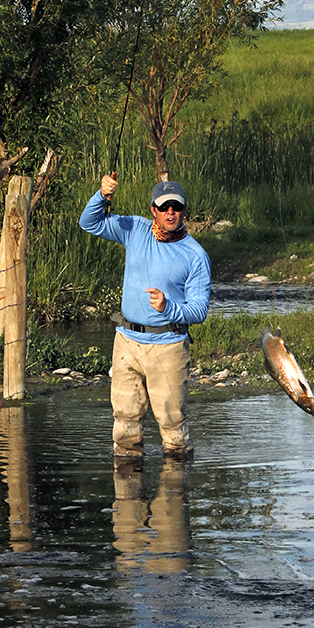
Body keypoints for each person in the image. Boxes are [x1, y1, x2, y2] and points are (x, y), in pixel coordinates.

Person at [79, 175, 211, 459]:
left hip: (169, 346)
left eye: (176, 206)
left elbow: (199, 310)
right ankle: (127, 496)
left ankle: (175, 493)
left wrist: (169, 307)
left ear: (184, 210)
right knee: (125, 429)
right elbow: (89, 223)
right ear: (153, 209)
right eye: (164, 207)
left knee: (173, 429)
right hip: (126, 342)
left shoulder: (195, 255)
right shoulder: (135, 229)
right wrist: (101, 195)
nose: (170, 213)